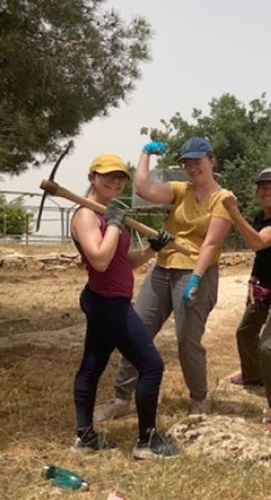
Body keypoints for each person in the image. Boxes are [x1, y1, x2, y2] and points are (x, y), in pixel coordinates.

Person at [94, 136, 234, 422]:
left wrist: (195, 279)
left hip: (197, 273)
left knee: (187, 340)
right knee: (136, 332)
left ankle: (199, 400)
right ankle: (121, 398)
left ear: (212, 161)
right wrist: (145, 154)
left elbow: (210, 244)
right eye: (186, 163)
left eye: (198, 161)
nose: (192, 168)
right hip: (162, 268)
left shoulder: (224, 198)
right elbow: (144, 189)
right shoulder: (181, 190)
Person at [56, 153, 181, 459]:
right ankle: (146, 442)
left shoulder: (107, 214)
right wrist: (113, 224)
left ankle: (85, 438)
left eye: (120, 177)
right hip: (107, 304)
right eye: (107, 175)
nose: (115, 181)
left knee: (91, 366)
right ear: (91, 178)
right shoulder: (87, 216)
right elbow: (99, 260)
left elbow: (125, 262)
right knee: (151, 366)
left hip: (109, 300)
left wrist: (153, 248)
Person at [222, 168, 271, 435]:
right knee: (245, 332)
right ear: (257, 191)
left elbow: (257, 243)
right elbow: (262, 256)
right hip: (263, 287)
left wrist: (233, 212)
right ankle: (253, 374)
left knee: (269, 345)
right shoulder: (260, 216)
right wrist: (252, 280)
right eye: (263, 187)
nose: (267, 191)